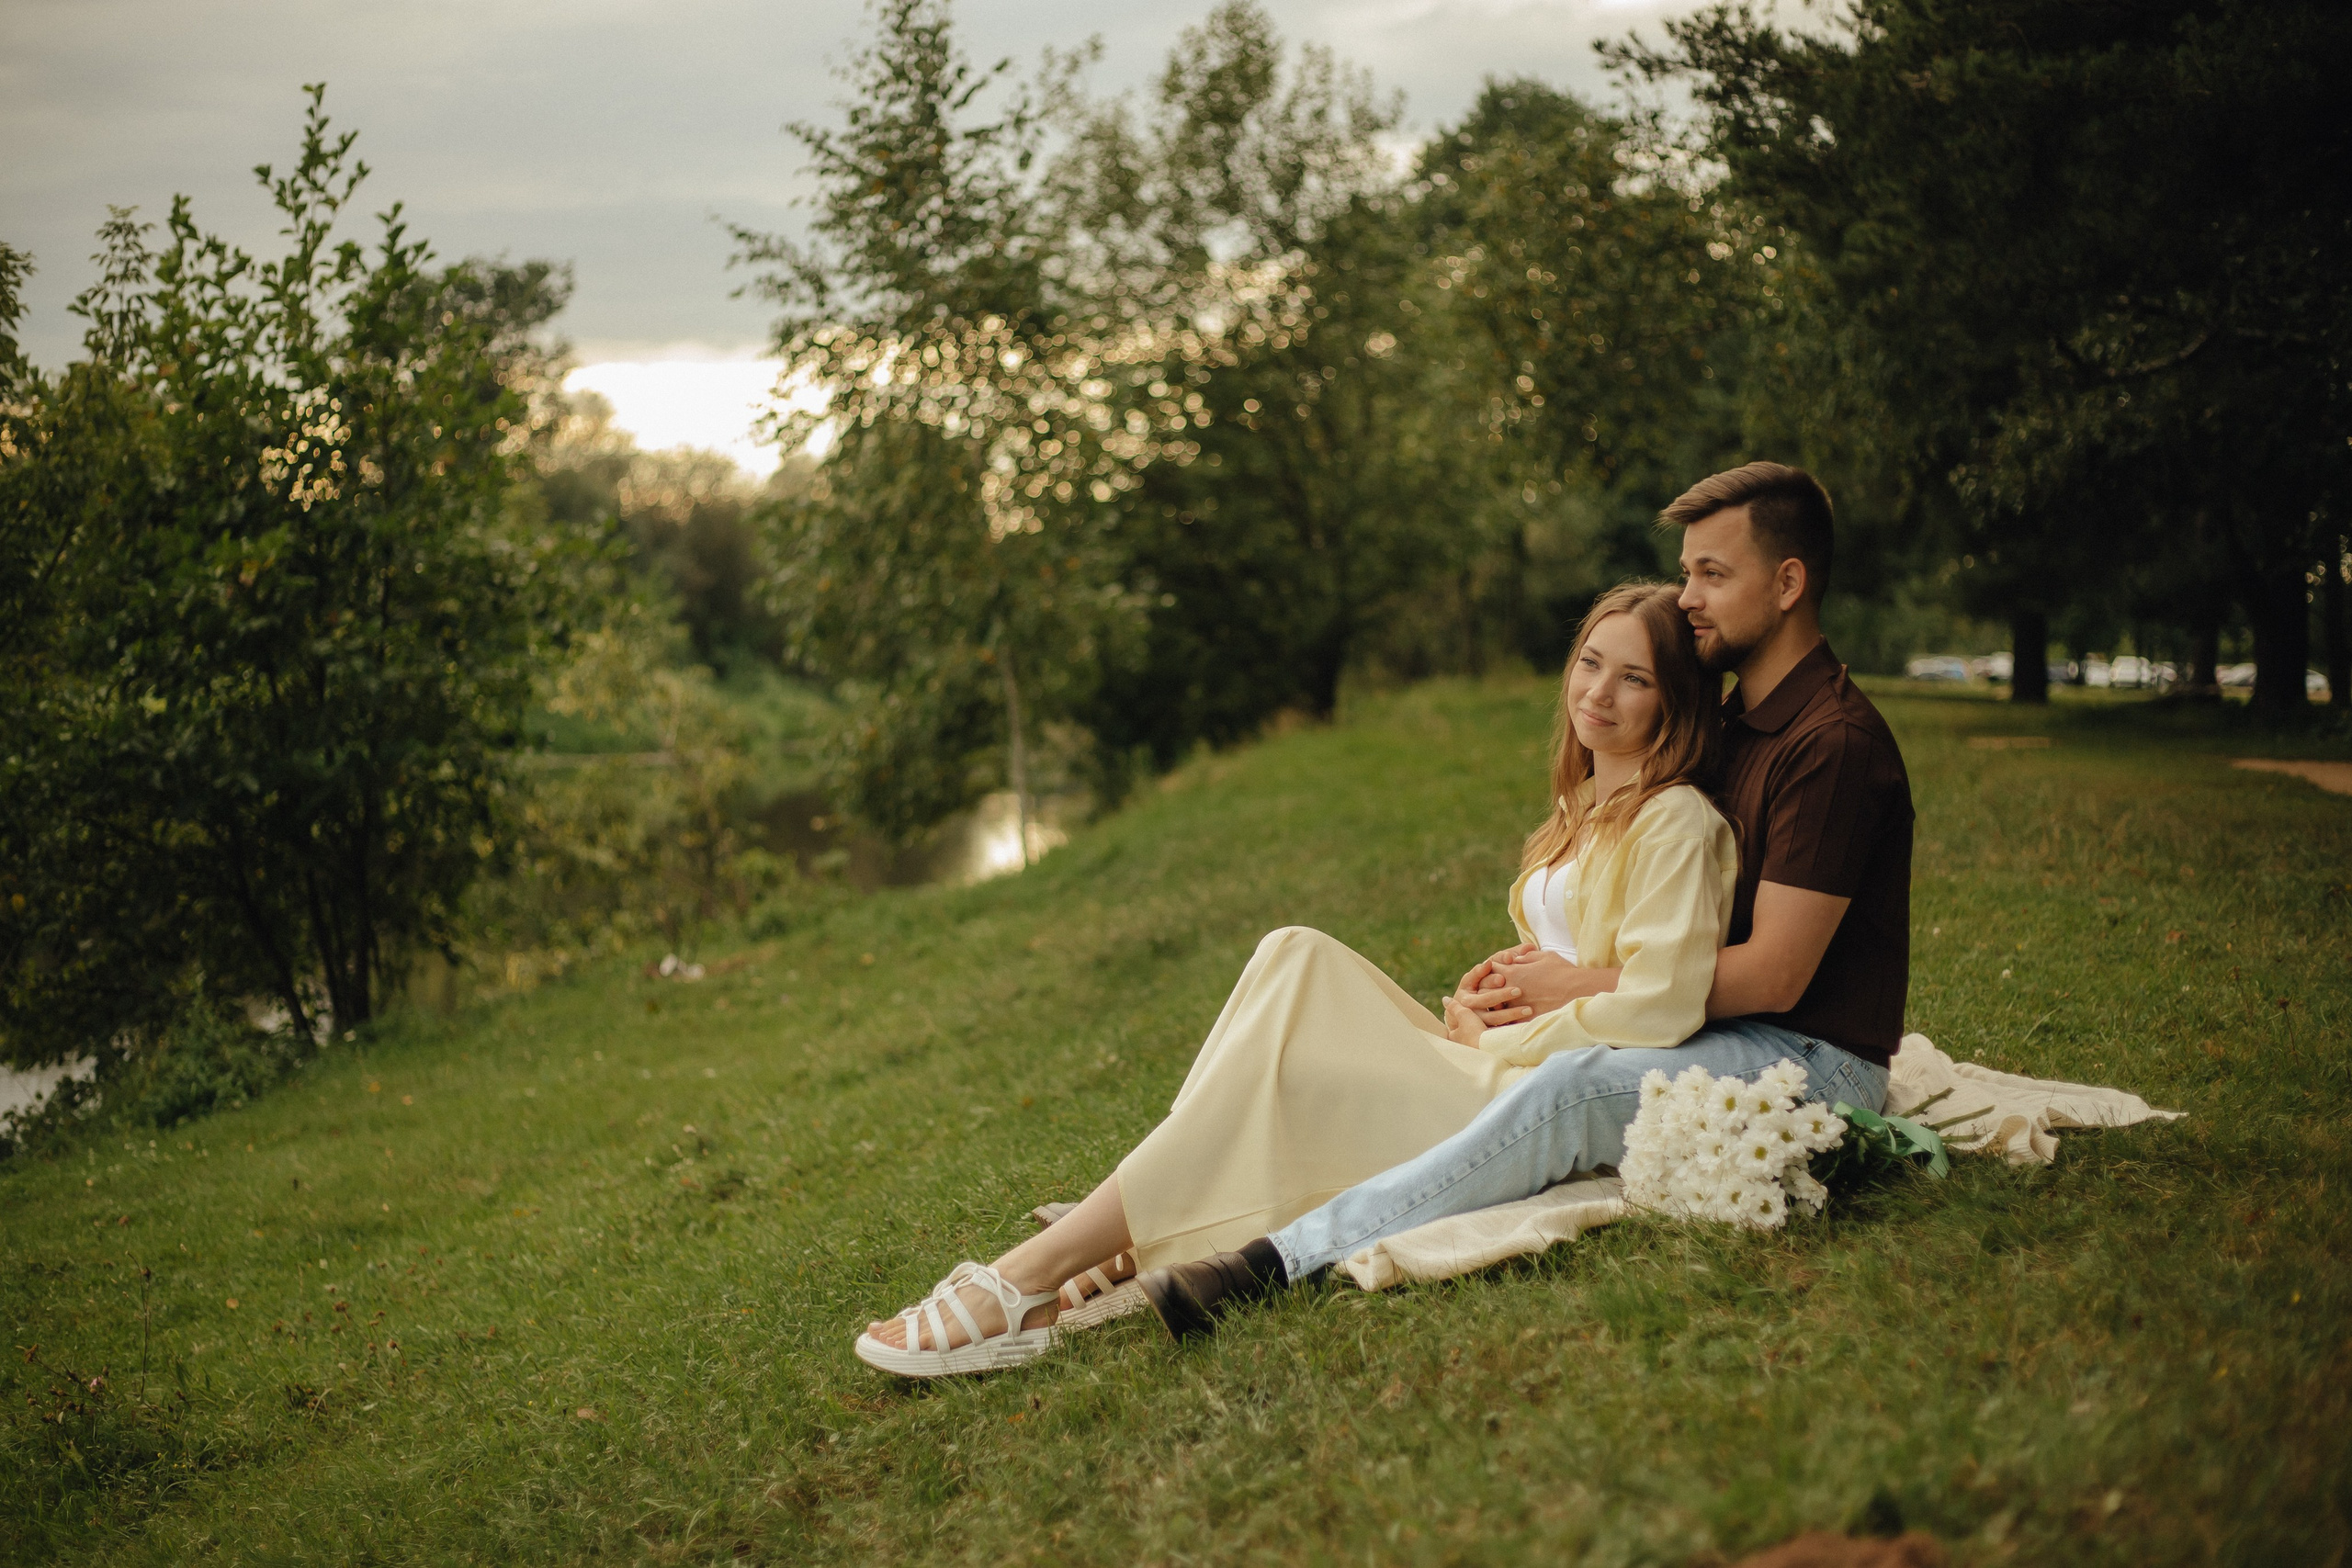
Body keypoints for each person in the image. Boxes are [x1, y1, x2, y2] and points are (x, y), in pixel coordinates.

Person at [854, 579, 1738, 1377]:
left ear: (1675, 702)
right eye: (1590, 663)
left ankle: (1028, 1280)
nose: (1597, 692)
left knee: (1291, 1036)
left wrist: (1506, 1030)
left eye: (1635, 679)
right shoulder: (1580, 809)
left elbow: (1663, 1000)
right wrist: (1483, 998)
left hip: (1525, 1099)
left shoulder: (1676, 822)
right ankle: (1129, 1216)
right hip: (1496, 1053)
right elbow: (1565, 961)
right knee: (1295, 952)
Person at [1137, 460, 1915, 1338]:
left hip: (1813, 1061)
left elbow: (1775, 974)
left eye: (1712, 574)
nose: (1688, 595)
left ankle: (1277, 1258)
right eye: (1688, 569)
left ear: (1788, 583)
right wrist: (1529, 989)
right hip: (1712, 1029)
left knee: (1574, 1087)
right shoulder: (1736, 721)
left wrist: (1576, 988)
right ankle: (1173, 1190)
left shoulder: (1833, 744)